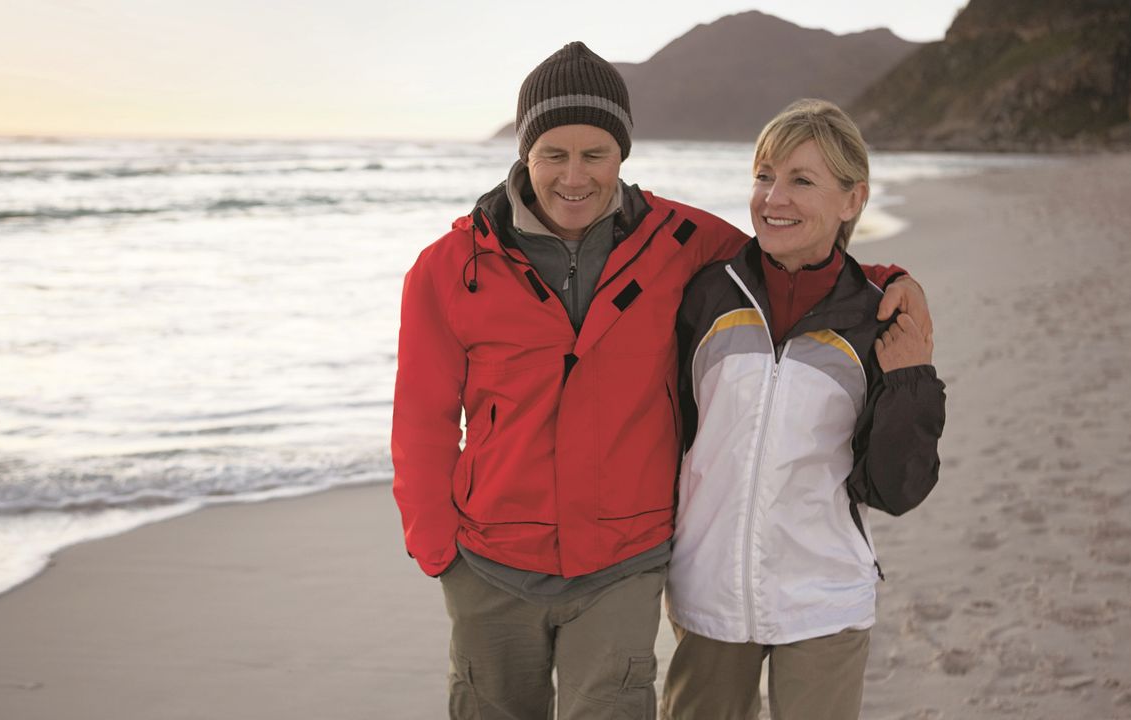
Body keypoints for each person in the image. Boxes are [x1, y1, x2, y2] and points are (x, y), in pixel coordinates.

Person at [391, 43, 930, 719]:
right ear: (525, 154)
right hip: (491, 563)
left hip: (622, 562)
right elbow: (421, 418)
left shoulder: (684, 242)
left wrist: (890, 283)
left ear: (622, 156)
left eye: (596, 155)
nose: (574, 176)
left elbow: (789, 252)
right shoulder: (450, 267)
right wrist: (437, 549)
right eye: (554, 154)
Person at [661, 99, 947, 720]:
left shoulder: (877, 318)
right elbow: (669, 433)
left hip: (824, 597)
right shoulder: (706, 295)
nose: (773, 198)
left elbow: (895, 488)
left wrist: (911, 380)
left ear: (852, 199)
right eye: (764, 175)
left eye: (801, 180)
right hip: (709, 590)